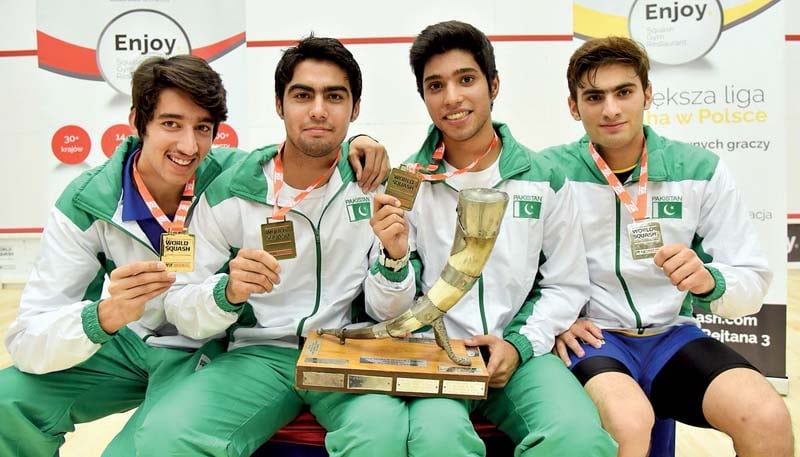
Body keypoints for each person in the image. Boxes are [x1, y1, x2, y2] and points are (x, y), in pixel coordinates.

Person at [0, 54, 388, 457]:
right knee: (6, 403)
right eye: (171, 124)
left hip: (200, 342)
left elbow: (304, 154)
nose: (188, 146)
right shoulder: (88, 203)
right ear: (137, 121)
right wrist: (103, 316)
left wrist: (360, 143)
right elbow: (27, 337)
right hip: (123, 341)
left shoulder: (232, 176)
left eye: (202, 128)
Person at [133, 36, 410, 457]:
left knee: (383, 437)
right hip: (260, 355)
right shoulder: (230, 190)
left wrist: (394, 259)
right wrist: (227, 292)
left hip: (350, 353)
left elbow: (390, 312)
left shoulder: (376, 185)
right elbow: (177, 300)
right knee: (164, 437)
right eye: (302, 95)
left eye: (334, 96)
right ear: (279, 105)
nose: (318, 109)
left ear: (355, 109)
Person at [368, 21, 617, 456]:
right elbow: (385, 309)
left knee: (579, 439)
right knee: (437, 441)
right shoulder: (407, 182)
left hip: (520, 354)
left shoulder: (543, 178)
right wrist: (393, 258)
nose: (452, 98)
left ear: (493, 84)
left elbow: (567, 284)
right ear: (424, 97)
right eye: (435, 85)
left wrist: (520, 344)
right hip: (437, 355)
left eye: (466, 79)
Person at [547, 36, 793, 457]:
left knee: (767, 415)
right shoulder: (550, 172)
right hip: (593, 339)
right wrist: (555, 318)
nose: (610, 109)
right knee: (628, 421)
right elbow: (514, 271)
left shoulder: (700, 170)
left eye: (624, 92)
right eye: (594, 96)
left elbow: (751, 278)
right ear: (574, 106)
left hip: (671, 337)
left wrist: (709, 281)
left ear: (647, 94)